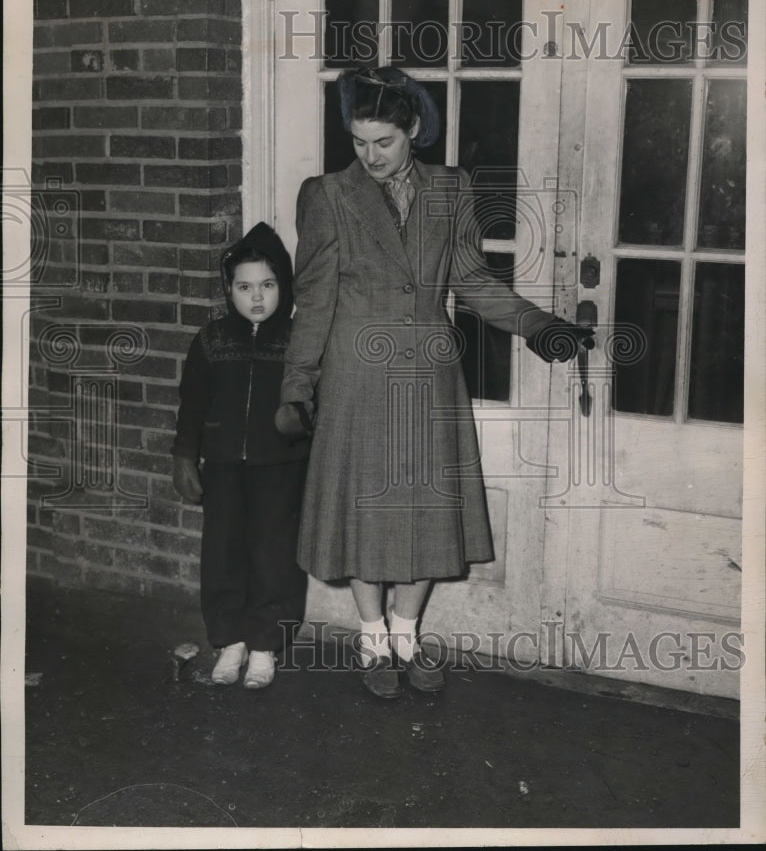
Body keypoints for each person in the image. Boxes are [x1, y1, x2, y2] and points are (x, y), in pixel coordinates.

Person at [276, 66, 593, 699]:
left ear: (414, 130)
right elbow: (312, 301)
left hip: (427, 376)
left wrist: (540, 327)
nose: (369, 156)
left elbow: (472, 282)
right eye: (359, 141)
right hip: (355, 377)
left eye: (383, 142)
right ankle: (372, 643)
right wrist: (297, 387)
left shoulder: (451, 189)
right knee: (364, 515)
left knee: (423, 512)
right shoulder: (327, 195)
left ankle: (405, 635)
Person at [172, 222, 310, 689]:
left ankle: (266, 645)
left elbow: (319, 403)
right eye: (245, 286)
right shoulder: (211, 341)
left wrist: (301, 421)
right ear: (228, 289)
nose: (256, 297)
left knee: (275, 556)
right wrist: (185, 456)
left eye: (268, 285)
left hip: (281, 468)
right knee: (224, 552)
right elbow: (191, 404)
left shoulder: (298, 343)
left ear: (284, 288)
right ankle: (230, 641)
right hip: (225, 467)